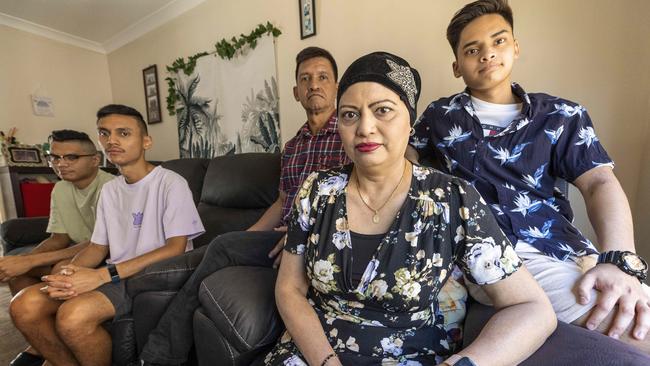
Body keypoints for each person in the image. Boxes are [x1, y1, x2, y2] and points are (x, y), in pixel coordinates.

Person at [264, 51, 556, 366]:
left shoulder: (452, 199)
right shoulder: (316, 191)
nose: (365, 127)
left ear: (409, 119)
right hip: (314, 355)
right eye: (350, 114)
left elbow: (532, 307)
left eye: (383, 110)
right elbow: (289, 289)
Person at [407, 0, 650, 352]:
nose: (487, 54)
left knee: (636, 301)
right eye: (472, 49)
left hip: (572, 249)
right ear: (457, 65)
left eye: (499, 41)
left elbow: (599, 183)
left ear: (516, 47)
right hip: (501, 256)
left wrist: (620, 259)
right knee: (637, 330)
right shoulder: (439, 117)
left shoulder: (562, 115)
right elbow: (401, 161)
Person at [138, 47, 350, 365]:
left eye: (323, 77)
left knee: (221, 246)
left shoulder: (351, 136)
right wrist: (247, 236)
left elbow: (353, 201)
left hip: (317, 241)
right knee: (223, 245)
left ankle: (160, 354)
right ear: (296, 92)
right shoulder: (292, 147)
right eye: (305, 79)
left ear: (336, 87)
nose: (314, 85)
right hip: (277, 236)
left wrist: (301, 235)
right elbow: (282, 201)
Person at [9, 104, 205, 366]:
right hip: (118, 274)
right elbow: (98, 247)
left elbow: (176, 249)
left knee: (72, 317)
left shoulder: (171, 183)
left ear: (146, 141)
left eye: (123, 133)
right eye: (104, 133)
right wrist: (68, 273)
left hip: (154, 276)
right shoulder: (111, 191)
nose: (112, 140)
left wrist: (103, 275)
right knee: (23, 306)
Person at [3, 129, 114, 366]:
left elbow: (99, 244)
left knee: (61, 268)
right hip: (79, 250)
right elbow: (59, 238)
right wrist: (21, 262)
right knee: (18, 274)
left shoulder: (111, 188)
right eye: (54, 157)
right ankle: (42, 342)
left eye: (71, 157)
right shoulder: (61, 188)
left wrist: (29, 261)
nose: (60, 164)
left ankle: (47, 348)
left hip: (105, 256)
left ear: (95, 160)